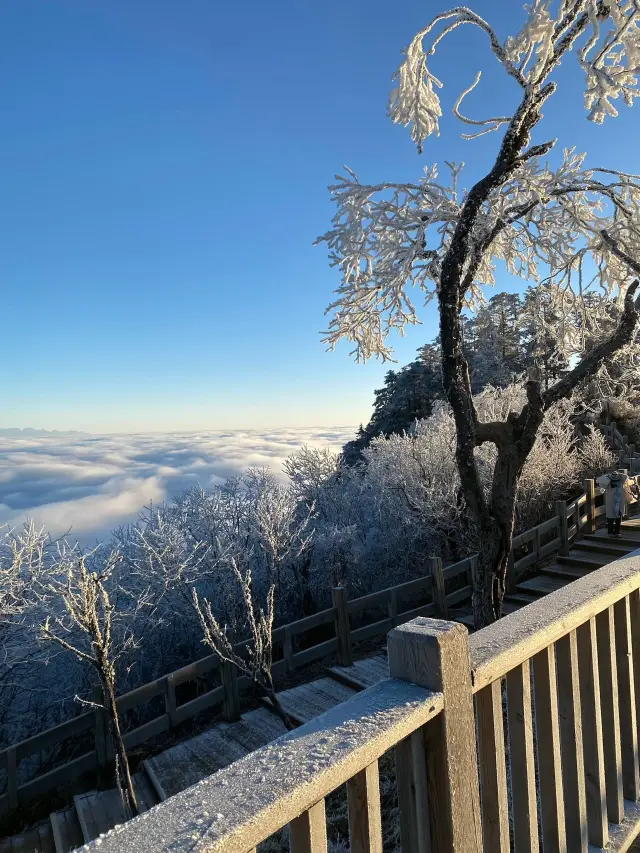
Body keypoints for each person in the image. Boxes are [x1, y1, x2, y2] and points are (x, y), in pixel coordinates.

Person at [596, 470, 637, 536]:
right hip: (613, 502)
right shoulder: (609, 482)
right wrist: (609, 476)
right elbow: (598, 480)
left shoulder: (620, 481)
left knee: (616, 518)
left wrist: (616, 474)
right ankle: (613, 532)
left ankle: (615, 532)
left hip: (618, 502)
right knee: (612, 518)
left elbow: (625, 476)